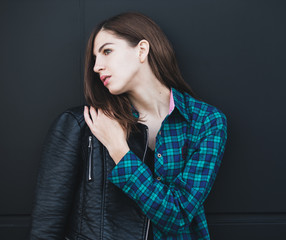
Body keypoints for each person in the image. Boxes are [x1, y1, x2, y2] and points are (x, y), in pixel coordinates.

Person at [30, 12, 227, 240]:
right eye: (95, 58)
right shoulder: (82, 125)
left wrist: (119, 151)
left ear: (142, 50)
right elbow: (46, 227)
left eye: (107, 51)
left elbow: (178, 215)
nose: (96, 67)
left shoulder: (206, 121)